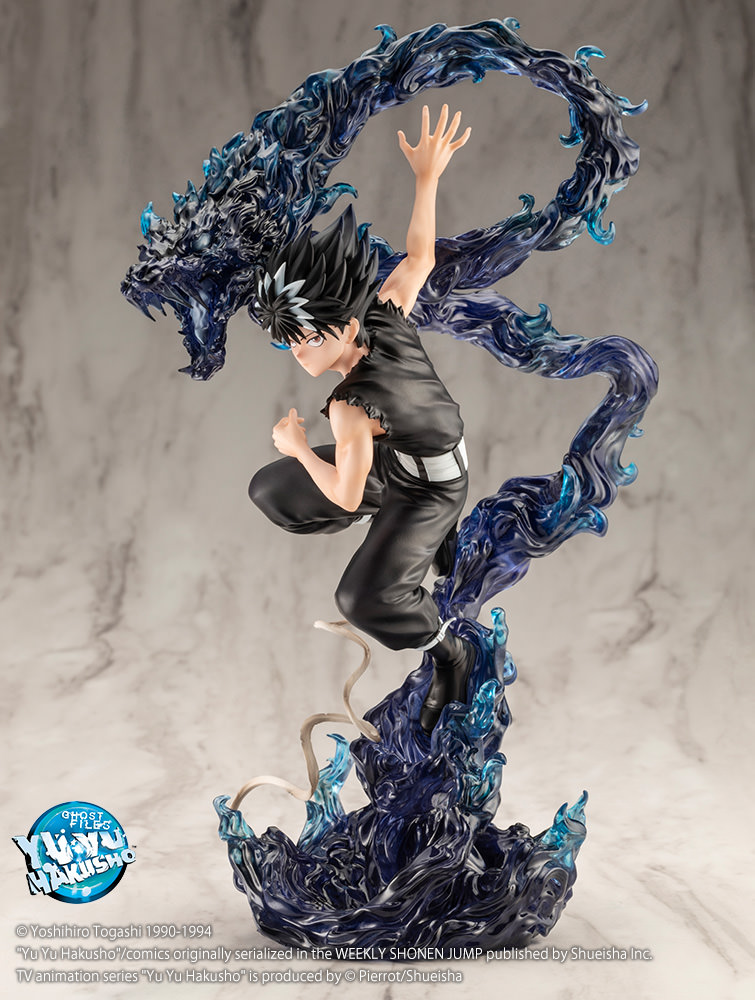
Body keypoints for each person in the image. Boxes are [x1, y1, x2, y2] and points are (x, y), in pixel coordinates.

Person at [250, 105, 475, 733]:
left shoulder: (350, 406)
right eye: (288, 340)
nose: (297, 353)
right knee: (271, 491)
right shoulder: (384, 310)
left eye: (305, 339)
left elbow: (347, 497)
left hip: (431, 488)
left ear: (345, 328)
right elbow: (420, 257)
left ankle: (449, 652)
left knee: (362, 598)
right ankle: (400, 540)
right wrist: (427, 178)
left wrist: (299, 447)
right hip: (399, 461)